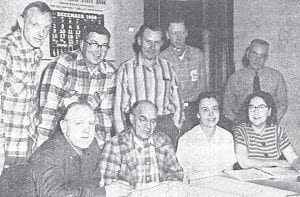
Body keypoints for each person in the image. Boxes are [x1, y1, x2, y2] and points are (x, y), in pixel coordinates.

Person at [37, 22, 116, 147]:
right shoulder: (63, 63)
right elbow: (48, 110)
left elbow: (104, 117)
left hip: (89, 140)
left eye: (104, 46)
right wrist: (42, 146)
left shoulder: (110, 73)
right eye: (94, 44)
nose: (99, 51)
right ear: (82, 44)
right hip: (60, 138)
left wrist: (103, 149)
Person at [0, 1, 52, 175]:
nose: (41, 32)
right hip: (4, 147)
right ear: (21, 22)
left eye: (46, 27)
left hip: (22, 148)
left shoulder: (36, 53)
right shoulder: (5, 48)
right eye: (35, 25)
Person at [114, 24, 183, 146]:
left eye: (157, 43)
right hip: (137, 127)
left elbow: (177, 100)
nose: (152, 47)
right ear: (139, 41)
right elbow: (119, 108)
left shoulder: (168, 67)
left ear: (162, 43)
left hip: (164, 126)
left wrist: (176, 125)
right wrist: (123, 137)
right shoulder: (126, 69)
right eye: (148, 42)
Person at [101, 100, 183, 196]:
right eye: (143, 119)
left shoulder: (163, 141)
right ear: (132, 118)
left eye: (152, 121)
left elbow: (177, 174)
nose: (148, 126)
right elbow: (108, 185)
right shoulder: (115, 145)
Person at [29, 102, 106, 196]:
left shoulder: (92, 145)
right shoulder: (48, 155)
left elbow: (93, 184)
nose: (87, 130)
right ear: (64, 126)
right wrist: (103, 193)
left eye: (91, 123)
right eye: (79, 123)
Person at [223, 39, 288, 125]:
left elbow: (282, 104)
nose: (258, 59)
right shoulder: (235, 78)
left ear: (266, 58)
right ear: (247, 54)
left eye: (262, 55)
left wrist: (272, 122)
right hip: (243, 128)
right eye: (254, 53)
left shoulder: (276, 77)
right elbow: (227, 106)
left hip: (269, 127)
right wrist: (239, 124)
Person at [160, 18, 207, 134]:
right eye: (175, 33)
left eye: (182, 32)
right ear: (167, 35)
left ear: (186, 33)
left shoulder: (198, 55)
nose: (179, 37)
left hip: (194, 110)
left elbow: (203, 87)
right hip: (171, 112)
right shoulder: (161, 59)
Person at [176, 92, 236, 181]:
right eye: (205, 110)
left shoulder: (226, 136)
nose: (211, 114)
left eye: (215, 109)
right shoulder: (186, 139)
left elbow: (229, 171)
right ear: (198, 114)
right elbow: (183, 175)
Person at [234, 91, 300, 169]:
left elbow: (292, 157)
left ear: (269, 111)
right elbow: (244, 162)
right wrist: (275, 162)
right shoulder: (241, 131)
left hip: (275, 178)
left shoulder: (277, 131)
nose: (256, 112)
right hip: (250, 179)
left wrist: (297, 165)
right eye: (252, 107)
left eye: (261, 107)